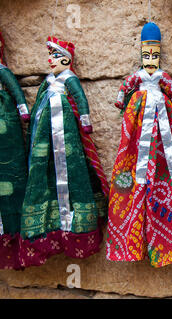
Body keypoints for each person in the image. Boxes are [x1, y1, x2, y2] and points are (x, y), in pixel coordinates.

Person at [106, 22, 172, 267]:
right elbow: (125, 88)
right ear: (141, 55)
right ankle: (130, 239)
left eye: (155, 55)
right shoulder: (138, 77)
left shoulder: (163, 77)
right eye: (147, 55)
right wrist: (121, 99)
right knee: (131, 169)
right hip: (137, 121)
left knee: (167, 163)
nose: (151, 60)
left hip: (162, 126)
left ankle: (166, 236)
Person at [20, 36, 108, 267]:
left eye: (56, 56)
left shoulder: (69, 79)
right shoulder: (48, 82)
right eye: (50, 56)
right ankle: (48, 228)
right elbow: (39, 101)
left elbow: (79, 98)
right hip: (45, 134)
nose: (51, 60)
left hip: (66, 130)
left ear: (67, 59)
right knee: (46, 168)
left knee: (71, 168)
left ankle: (75, 229)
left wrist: (86, 121)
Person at [0, 30, 29, 269]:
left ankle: (15, 235)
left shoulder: (1, 71)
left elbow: (16, 92)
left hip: (4, 127)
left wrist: (22, 109)